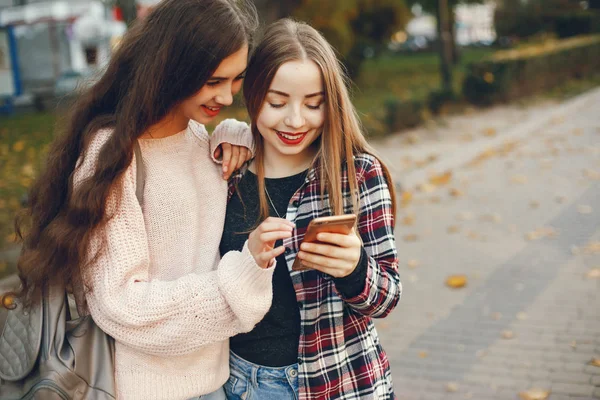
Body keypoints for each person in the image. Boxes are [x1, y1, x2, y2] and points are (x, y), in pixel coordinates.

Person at [13, 1, 294, 399]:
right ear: (174, 67)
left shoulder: (203, 140)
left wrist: (239, 134)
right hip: (139, 388)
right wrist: (238, 282)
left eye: (235, 81)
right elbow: (123, 303)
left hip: (215, 382)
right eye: (213, 81)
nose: (227, 97)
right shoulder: (112, 156)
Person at [219, 18, 402, 400]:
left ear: (330, 103)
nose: (295, 120)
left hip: (338, 381)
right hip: (234, 382)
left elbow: (386, 296)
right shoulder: (227, 174)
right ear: (253, 95)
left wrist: (355, 269)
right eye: (277, 102)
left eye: (313, 104)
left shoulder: (358, 175)